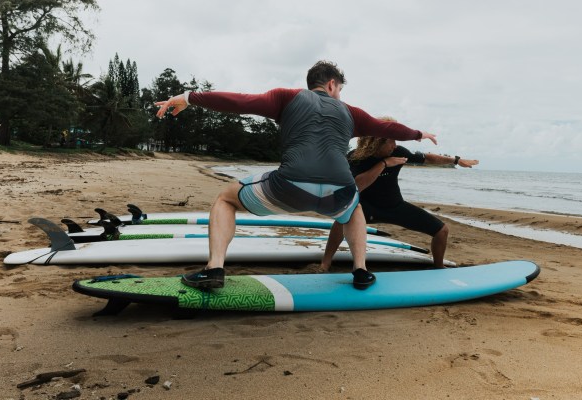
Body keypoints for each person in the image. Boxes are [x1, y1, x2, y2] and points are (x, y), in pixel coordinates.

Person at [155, 61, 436, 290]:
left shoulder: (286, 98)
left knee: (226, 199)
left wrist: (189, 98)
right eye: (340, 89)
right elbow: (388, 129)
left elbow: (240, 102)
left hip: (288, 189)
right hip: (337, 194)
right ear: (331, 84)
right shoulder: (352, 113)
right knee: (354, 209)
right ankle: (360, 271)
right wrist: (417, 134)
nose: (340, 96)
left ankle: (214, 268)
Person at [320, 120, 478, 270]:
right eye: (391, 141)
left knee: (442, 231)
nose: (395, 145)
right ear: (378, 142)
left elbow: (427, 158)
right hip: (366, 209)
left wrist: (456, 160)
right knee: (341, 220)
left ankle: (438, 267)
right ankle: (325, 264)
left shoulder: (398, 152)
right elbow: (357, 186)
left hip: (394, 207)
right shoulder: (356, 157)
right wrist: (383, 164)